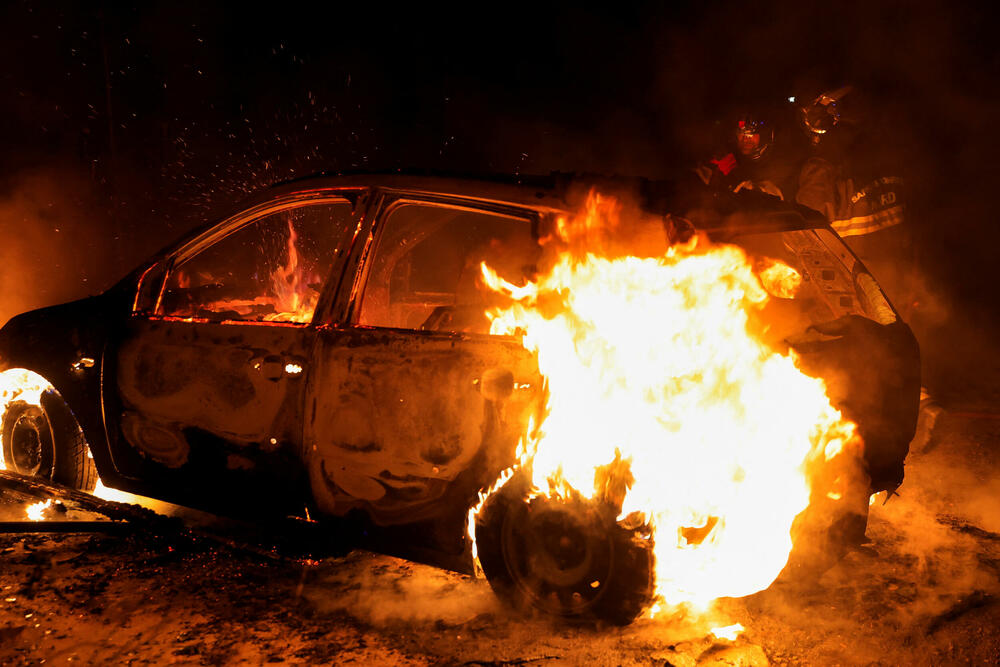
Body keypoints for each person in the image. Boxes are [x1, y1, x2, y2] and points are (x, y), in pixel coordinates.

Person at [795, 85, 942, 450]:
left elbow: (804, 229)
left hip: (850, 277)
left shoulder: (822, 168)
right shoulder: (887, 154)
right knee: (896, 348)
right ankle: (921, 405)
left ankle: (852, 441)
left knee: (845, 355)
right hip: (899, 273)